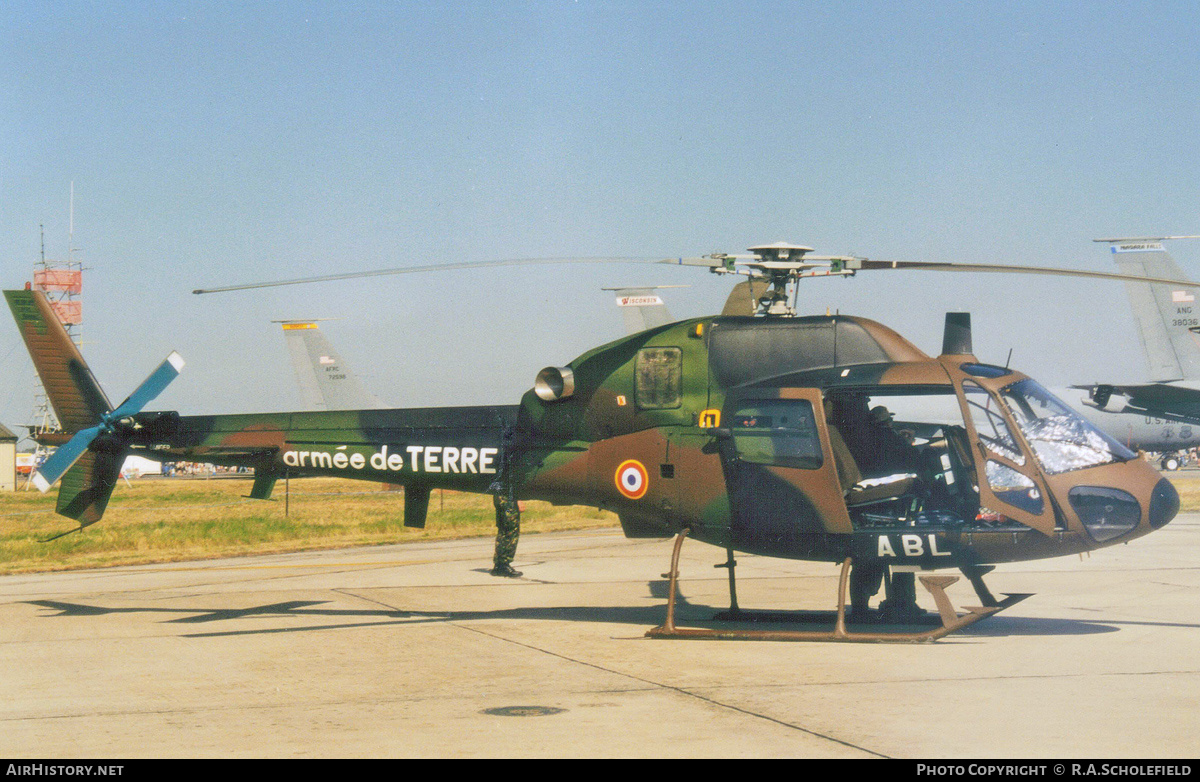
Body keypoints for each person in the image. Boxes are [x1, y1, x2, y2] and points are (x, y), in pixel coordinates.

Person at [491, 490, 522, 577]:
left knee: (503, 531)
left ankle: (499, 565)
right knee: (511, 530)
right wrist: (518, 499)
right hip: (507, 498)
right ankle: (503, 565)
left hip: (500, 496)